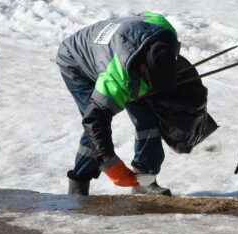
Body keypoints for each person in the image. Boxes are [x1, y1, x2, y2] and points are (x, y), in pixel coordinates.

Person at [56, 11, 179, 196]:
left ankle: (144, 180)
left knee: (148, 117)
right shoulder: (118, 78)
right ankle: (78, 185)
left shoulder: (166, 33)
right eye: (150, 81)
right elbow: (95, 120)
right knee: (94, 131)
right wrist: (110, 163)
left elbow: (144, 15)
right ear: (143, 68)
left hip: (114, 49)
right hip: (75, 61)